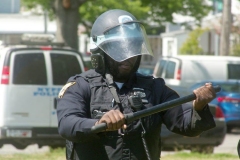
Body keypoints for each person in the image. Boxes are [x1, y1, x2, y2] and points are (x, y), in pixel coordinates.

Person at [57, 9, 217, 160]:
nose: (128, 56)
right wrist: (99, 123)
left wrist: (199, 107)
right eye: (119, 49)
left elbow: (184, 124)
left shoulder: (154, 88)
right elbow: (67, 124)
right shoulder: (80, 85)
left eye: (133, 48)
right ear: (100, 51)